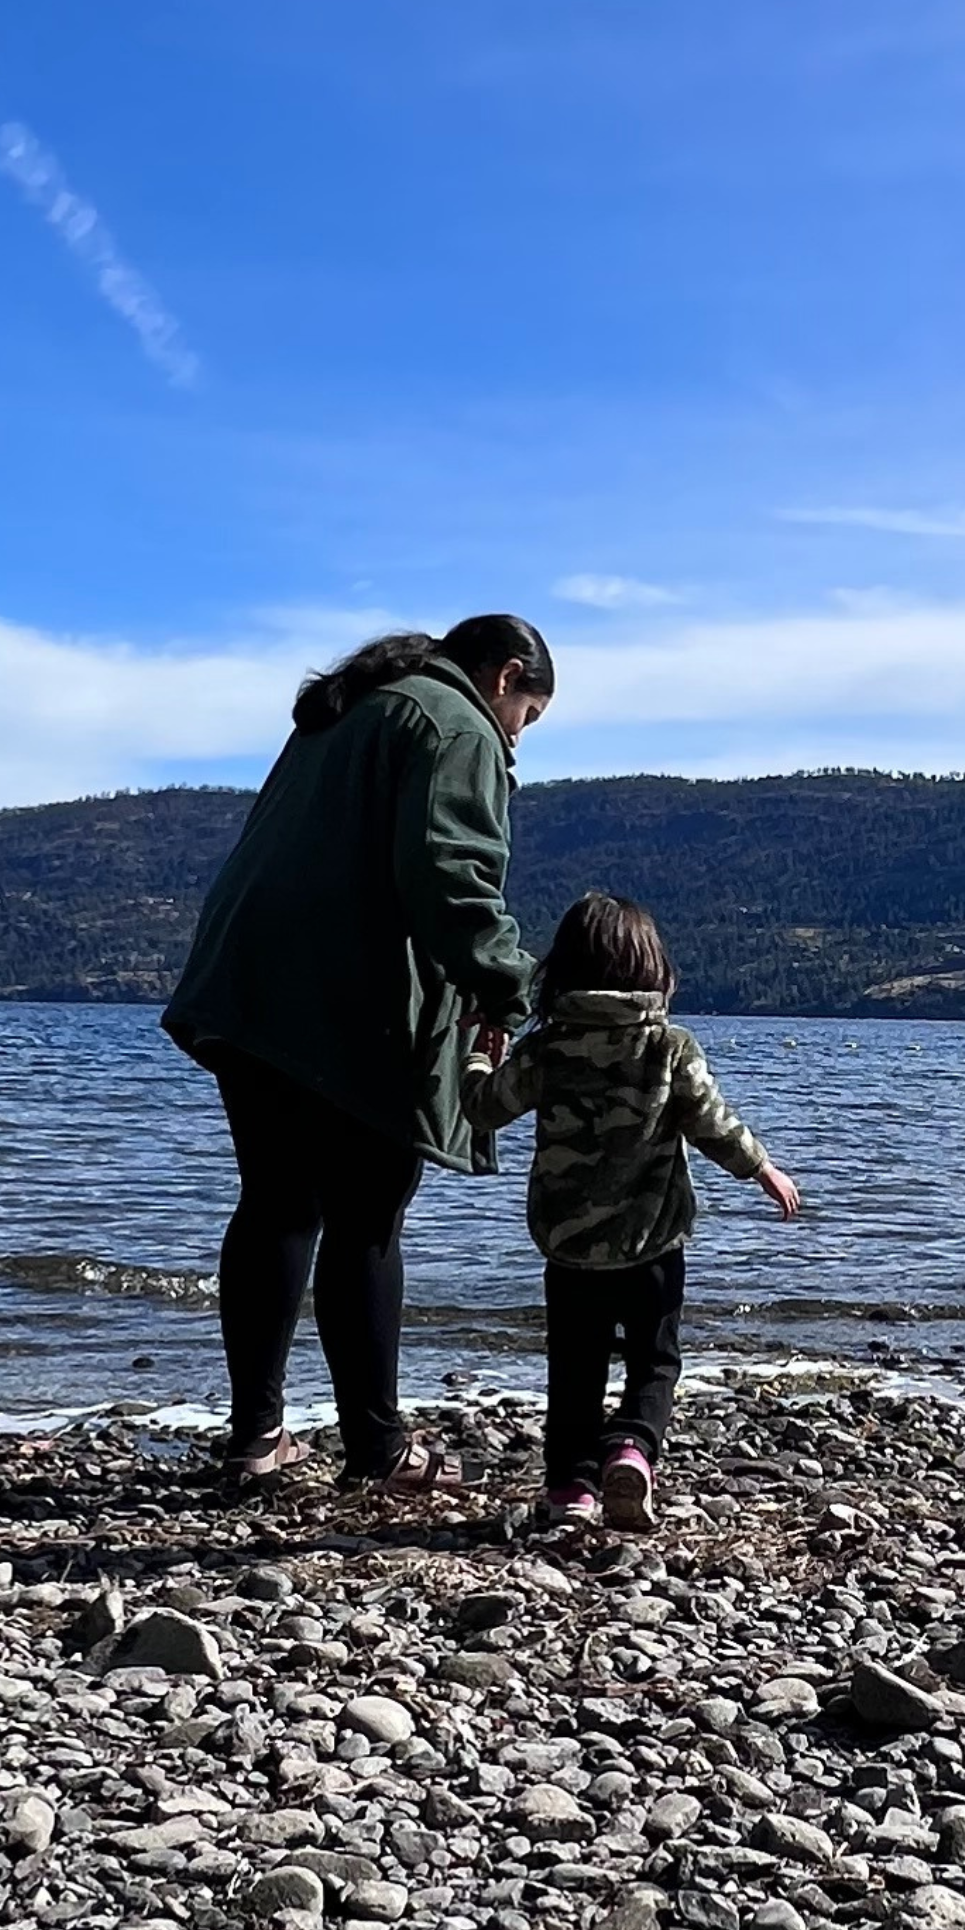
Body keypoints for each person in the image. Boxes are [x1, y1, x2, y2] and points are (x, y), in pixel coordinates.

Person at [163, 615, 554, 1490]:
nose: (517, 741)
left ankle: (256, 1438)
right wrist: (505, 986)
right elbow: (450, 874)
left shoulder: (350, 710)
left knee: (275, 1205)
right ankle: (377, 1448)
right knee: (367, 1216)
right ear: (507, 677)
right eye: (526, 718)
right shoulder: (455, 723)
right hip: (341, 998)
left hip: (245, 982)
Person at [460, 892, 799, 1529]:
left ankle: (572, 1492)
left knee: (575, 1373)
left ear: (560, 971)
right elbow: (713, 1123)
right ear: (655, 973)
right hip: (652, 1244)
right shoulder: (669, 1046)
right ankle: (632, 1447)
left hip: (570, 1249)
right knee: (656, 1360)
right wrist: (762, 1168)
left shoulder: (547, 1048)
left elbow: (483, 1108)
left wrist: (483, 1051)